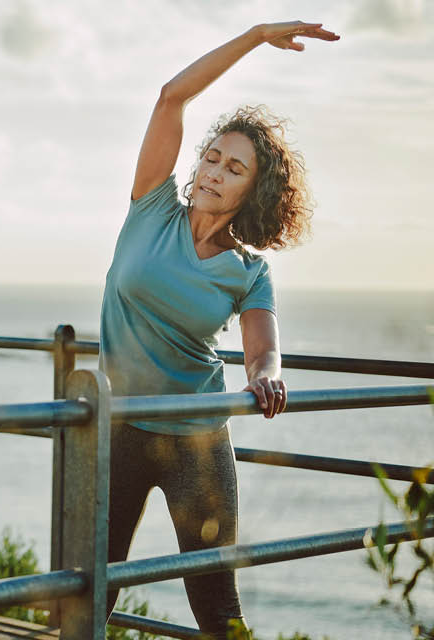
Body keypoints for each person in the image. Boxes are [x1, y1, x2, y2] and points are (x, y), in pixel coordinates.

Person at [99, 21, 339, 637]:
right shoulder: (151, 207)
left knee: (215, 607)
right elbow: (171, 98)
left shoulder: (249, 272)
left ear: (253, 192)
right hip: (120, 427)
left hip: (198, 441)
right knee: (87, 589)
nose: (213, 171)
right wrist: (256, 36)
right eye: (211, 156)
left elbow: (263, 351)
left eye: (234, 168)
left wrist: (266, 380)